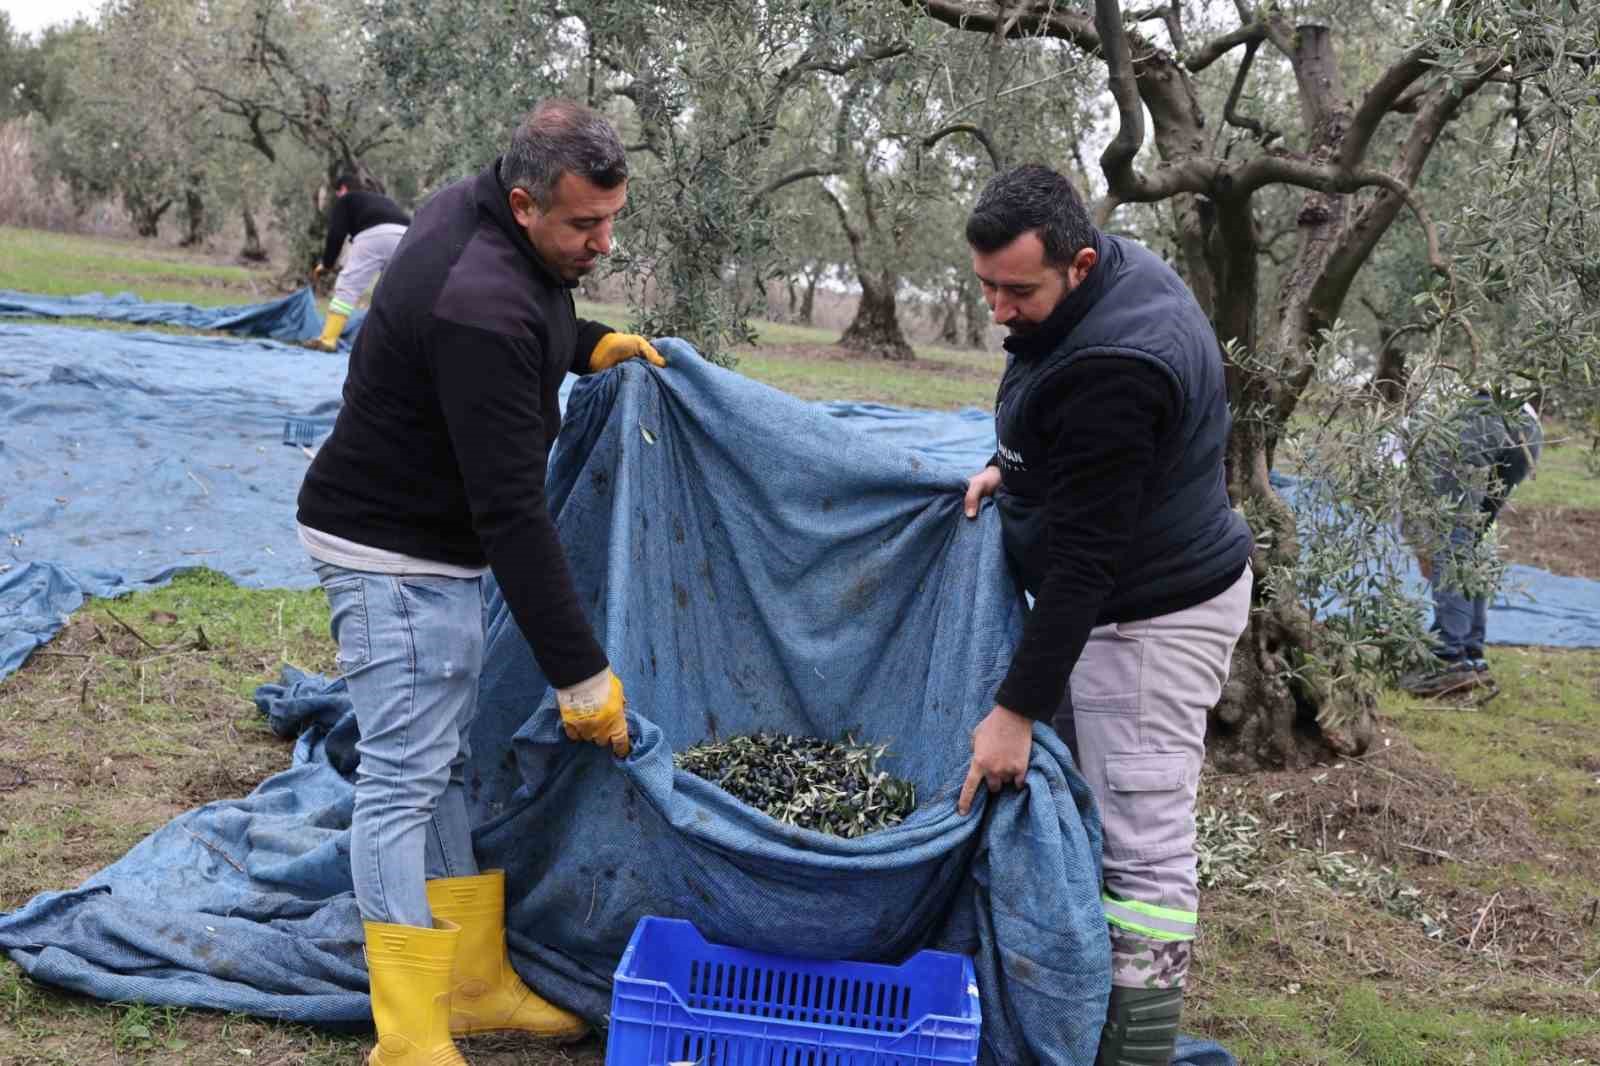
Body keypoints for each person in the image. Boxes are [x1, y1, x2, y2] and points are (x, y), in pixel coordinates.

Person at [295, 99, 667, 1066]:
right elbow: (513, 513)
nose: (603, 242)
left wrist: (586, 344)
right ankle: (410, 1034)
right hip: (390, 555)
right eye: (585, 225)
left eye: (611, 219)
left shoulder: (482, 218)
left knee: (445, 763)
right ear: (523, 201)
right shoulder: (481, 305)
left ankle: (471, 983)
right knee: (402, 781)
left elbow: (532, 310)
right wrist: (581, 677)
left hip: (433, 542)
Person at [956, 165, 1254, 1066]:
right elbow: (1099, 463)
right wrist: (1020, 470)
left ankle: (1135, 1052)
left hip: (1153, 620)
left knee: (1143, 844)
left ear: (1080, 264)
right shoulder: (1109, 281)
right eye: (986, 287)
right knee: (1095, 814)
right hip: (1121, 589)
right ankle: (1074, 1018)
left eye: (1019, 290)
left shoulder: (1120, 365)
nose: (1000, 309)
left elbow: (1087, 562)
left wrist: (1014, 714)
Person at [1398, 391, 1542, 696]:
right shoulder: (1418, 421)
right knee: (1472, 538)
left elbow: (1408, 504)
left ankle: (1448, 658)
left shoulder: (1400, 442)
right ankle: (1472, 655)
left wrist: (1425, 551)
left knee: (1452, 538)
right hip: (1528, 426)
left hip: (1476, 420)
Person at [302, 173, 412, 352]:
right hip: (406, 235)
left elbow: (336, 234)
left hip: (374, 235)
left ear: (343, 189)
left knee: (348, 286)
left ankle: (328, 340)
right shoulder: (382, 200)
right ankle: (401, 345)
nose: (337, 196)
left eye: (337, 192)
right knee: (398, 291)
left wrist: (327, 264)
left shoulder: (347, 200)